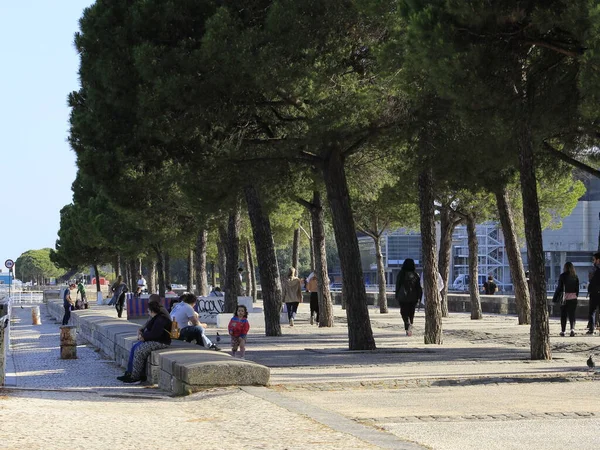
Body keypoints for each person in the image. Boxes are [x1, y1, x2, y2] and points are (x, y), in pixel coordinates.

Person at [118, 295, 172, 383]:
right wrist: (142, 332)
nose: (147, 311)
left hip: (161, 341)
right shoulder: (157, 314)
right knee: (134, 347)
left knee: (139, 350)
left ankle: (135, 376)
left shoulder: (161, 317)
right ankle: (130, 373)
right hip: (156, 339)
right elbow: (149, 325)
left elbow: (156, 333)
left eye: (148, 309)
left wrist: (144, 337)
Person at [395, 259, 422, 336]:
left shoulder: (401, 274)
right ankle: (410, 327)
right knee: (411, 312)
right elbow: (418, 287)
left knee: (404, 312)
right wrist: (419, 297)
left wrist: (397, 295)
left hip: (403, 297)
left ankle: (408, 325)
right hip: (413, 297)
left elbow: (398, 285)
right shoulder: (416, 275)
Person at [553, 262, 579, 337]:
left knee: (563, 315)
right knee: (572, 314)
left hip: (564, 298)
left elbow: (559, 288)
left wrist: (555, 298)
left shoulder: (562, 276)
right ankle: (572, 329)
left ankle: (563, 331)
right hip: (573, 298)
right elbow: (577, 289)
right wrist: (575, 295)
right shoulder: (575, 276)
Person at [586, 252, 600, 335]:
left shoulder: (596, 270)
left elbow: (593, 282)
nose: (593, 261)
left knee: (592, 311)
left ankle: (591, 329)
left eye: (594, 260)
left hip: (595, 293)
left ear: (598, 260)